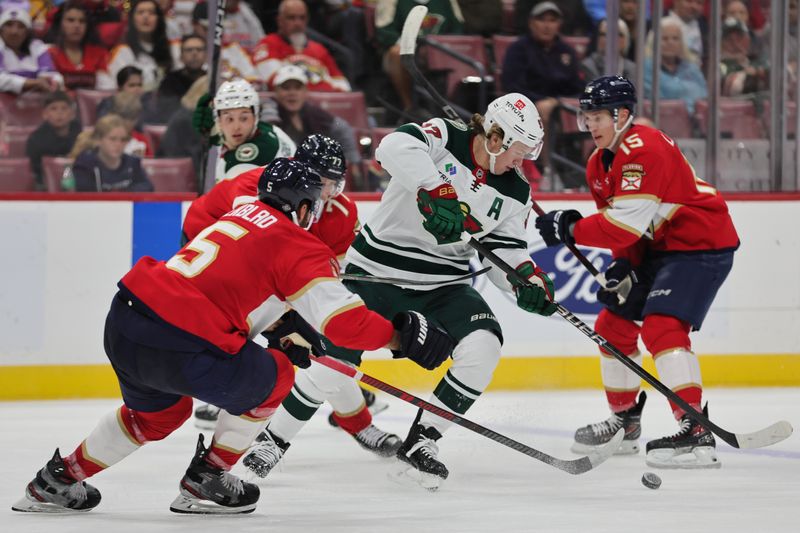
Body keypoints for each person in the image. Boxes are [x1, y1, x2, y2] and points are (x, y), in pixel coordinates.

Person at [12, 158, 453, 515]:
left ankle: (59, 479)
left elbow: (232, 282)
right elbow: (343, 324)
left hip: (126, 319)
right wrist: (399, 339)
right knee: (277, 375)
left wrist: (284, 327)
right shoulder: (296, 242)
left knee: (157, 417)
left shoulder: (240, 211)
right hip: (179, 338)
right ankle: (209, 476)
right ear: (302, 207)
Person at [243, 93, 558, 490]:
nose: (523, 161)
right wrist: (435, 188)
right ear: (494, 137)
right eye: (519, 150)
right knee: (335, 357)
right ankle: (273, 440)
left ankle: (422, 441)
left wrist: (524, 281)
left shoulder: (516, 191)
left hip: (443, 283)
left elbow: (505, 249)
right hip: (376, 271)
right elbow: (392, 146)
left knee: (484, 344)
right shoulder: (445, 136)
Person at [534, 76, 739, 469]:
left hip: (700, 245)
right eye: (586, 117)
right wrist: (623, 265)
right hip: (658, 250)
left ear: (622, 115)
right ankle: (625, 423)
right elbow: (625, 232)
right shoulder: (598, 163)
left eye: (597, 117)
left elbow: (624, 223)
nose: (590, 125)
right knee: (613, 326)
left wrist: (571, 229)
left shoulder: (645, 147)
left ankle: (695, 430)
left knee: (662, 327)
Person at [186, 135, 400, 462]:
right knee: (241, 333)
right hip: (210, 252)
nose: (329, 193)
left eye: (335, 183)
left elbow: (336, 270)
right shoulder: (256, 188)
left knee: (316, 347)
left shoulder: (339, 210)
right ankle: (225, 398)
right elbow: (249, 253)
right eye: (323, 183)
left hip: (273, 271)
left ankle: (357, 425)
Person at [501, 2, 584, 162]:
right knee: (542, 110)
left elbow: (577, 85)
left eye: (552, 20)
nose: (547, 26)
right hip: (524, 105)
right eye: (542, 20)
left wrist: (557, 101)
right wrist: (538, 101)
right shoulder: (518, 49)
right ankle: (547, 170)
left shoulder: (566, 51)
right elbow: (512, 85)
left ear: (559, 24)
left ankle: (583, 168)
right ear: (531, 23)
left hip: (559, 104)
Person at [269, 64, 362, 183]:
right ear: (276, 91)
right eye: (286, 88)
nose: (292, 93)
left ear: (305, 91)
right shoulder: (270, 110)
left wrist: (351, 160)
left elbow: (343, 129)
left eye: (297, 88)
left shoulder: (315, 113)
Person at [192, 78, 296, 182]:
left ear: (255, 117)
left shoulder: (240, 164)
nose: (236, 127)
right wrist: (213, 136)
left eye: (243, 118)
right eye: (229, 119)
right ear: (219, 121)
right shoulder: (266, 129)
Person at [376, 0, 463, 118]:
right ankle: (410, 108)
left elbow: (457, 29)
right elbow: (385, 32)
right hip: (406, 48)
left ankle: (456, 111)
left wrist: (439, 47)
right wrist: (413, 46)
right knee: (396, 53)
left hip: (440, 50)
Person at [253, 0, 352, 92]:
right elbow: (273, 82)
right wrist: (321, 89)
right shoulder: (268, 44)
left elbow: (343, 87)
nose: (298, 23)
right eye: (291, 18)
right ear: (279, 20)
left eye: (302, 18)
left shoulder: (319, 49)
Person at [66, 114, 154, 192]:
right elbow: (85, 193)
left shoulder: (133, 163)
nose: (118, 144)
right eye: (112, 139)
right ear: (98, 140)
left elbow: (147, 187)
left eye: (123, 139)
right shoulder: (84, 164)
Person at [643, 16, 708, 114]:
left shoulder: (692, 68)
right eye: (664, 38)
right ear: (654, 42)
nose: (670, 42)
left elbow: (704, 95)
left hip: (696, 122)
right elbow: (657, 100)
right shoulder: (646, 69)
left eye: (675, 38)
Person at [107, 0, 174, 92]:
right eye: (140, 12)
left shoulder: (173, 47)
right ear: (131, 19)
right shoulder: (122, 51)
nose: (146, 17)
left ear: (159, 18)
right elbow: (117, 88)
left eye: (151, 13)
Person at [47, 1, 115, 91]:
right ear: (60, 24)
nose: (77, 25)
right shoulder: (49, 53)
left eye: (82, 21)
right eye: (70, 20)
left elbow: (107, 89)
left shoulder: (99, 54)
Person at [191, 1, 260, 87]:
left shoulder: (233, 49)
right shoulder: (188, 50)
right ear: (195, 25)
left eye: (219, 28)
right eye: (208, 29)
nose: (215, 33)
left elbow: (254, 79)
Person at [0, 5, 64, 94]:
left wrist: (53, 82)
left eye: (21, 26)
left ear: (27, 32)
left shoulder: (37, 47)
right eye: (9, 25)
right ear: (1, 29)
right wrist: (32, 83)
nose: (14, 31)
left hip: (36, 102)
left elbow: (53, 75)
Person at [26, 90, 82, 190]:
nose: (59, 113)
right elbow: (34, 171)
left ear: (72, 113)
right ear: (45, 114)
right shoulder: (36, 139)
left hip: (79, 180)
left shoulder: (80, 133)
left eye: (64, 108)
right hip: (45, 185)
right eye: (53, 109)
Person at [154, 34, 207, 124]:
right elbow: (166, 111)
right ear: (181, 56)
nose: (194, 53)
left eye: (199, 49)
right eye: (189, 50)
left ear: (206, 55)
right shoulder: (170, 81)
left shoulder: (211, 80)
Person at [719, 16, 768, 97]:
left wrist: (758, 72)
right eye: (729, 39)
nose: (735, 43)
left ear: (748, 40)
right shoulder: (718, 67)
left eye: (739, 38)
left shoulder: (759, 61)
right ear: (721, 44)